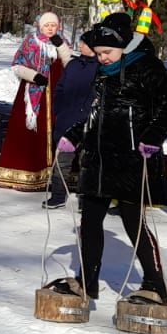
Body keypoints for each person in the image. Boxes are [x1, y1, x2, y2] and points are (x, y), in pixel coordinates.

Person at [49, 12, 167, 302]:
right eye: (98, 53)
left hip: (132, 159)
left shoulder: (147, 67)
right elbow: (97, 111)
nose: (102, 58)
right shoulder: (104, 72)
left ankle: (155, 284)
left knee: (132, 221)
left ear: (124, 46)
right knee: (90, 220)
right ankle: (87, 281)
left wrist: (153, 135)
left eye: (107, 52)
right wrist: (75, 134)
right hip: (99, 158)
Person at [0, 12, 71, 191]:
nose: (50, 28)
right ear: (40, 26)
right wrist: (34, 76)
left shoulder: (62, 41)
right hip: (33, 93)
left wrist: (61, 46)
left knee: (56, 130)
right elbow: (17, 65)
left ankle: (54, 173)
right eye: (47, 25)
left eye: (53, 25)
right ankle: (28, 170)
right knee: (31, 131)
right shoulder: (31, 41)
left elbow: (68, 64)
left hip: (57, 94)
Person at [42, 26, 100, 209]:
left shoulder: (100, 68)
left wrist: (88, 113)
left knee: (87, 162)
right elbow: (60, 87)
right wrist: (59, 108)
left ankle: (85, 199)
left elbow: (98, 94)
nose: (80, 45)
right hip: (66, 119)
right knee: (62, 160)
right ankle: (58, 194)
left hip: (88, 122)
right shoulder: (73, 65)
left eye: (83, 43)